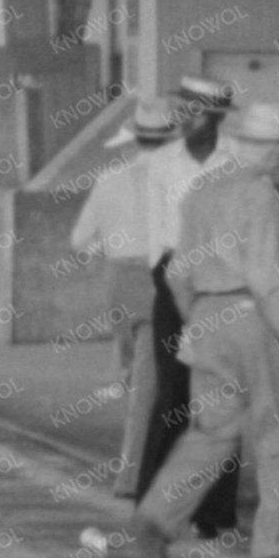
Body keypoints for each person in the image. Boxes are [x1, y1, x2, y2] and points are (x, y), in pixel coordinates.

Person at [118, 101, 279, 558]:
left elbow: (176, 272)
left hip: (206, 317)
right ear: (262, 147)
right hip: (251, 317)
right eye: (278, 147)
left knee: (211, 433)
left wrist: (197, 321)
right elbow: (263, 273)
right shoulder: (259, 191)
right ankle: (276, 544)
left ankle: (157, 517)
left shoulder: (200, 190)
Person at [134, 76, 234, 528]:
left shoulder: (235, 161)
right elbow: (156, 230)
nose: (184, 117)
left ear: (215, 116)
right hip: (174, 277)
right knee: (173, 392)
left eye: (195, 111)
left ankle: (215, 514)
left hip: (222, 282)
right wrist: (163, 276)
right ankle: (150, 507)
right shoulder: (162, 164)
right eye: (183, 108)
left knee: (222, 396)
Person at [67, 98, 182, 488]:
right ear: (172, 139)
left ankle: (152, 463)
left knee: (137, 374)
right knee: (151, 385)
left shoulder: (108, 179)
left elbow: (79, 240)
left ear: (134, 138)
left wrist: (110, 247)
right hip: (158, 279)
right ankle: (133, 476)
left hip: (118, 281)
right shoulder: (177, 183)